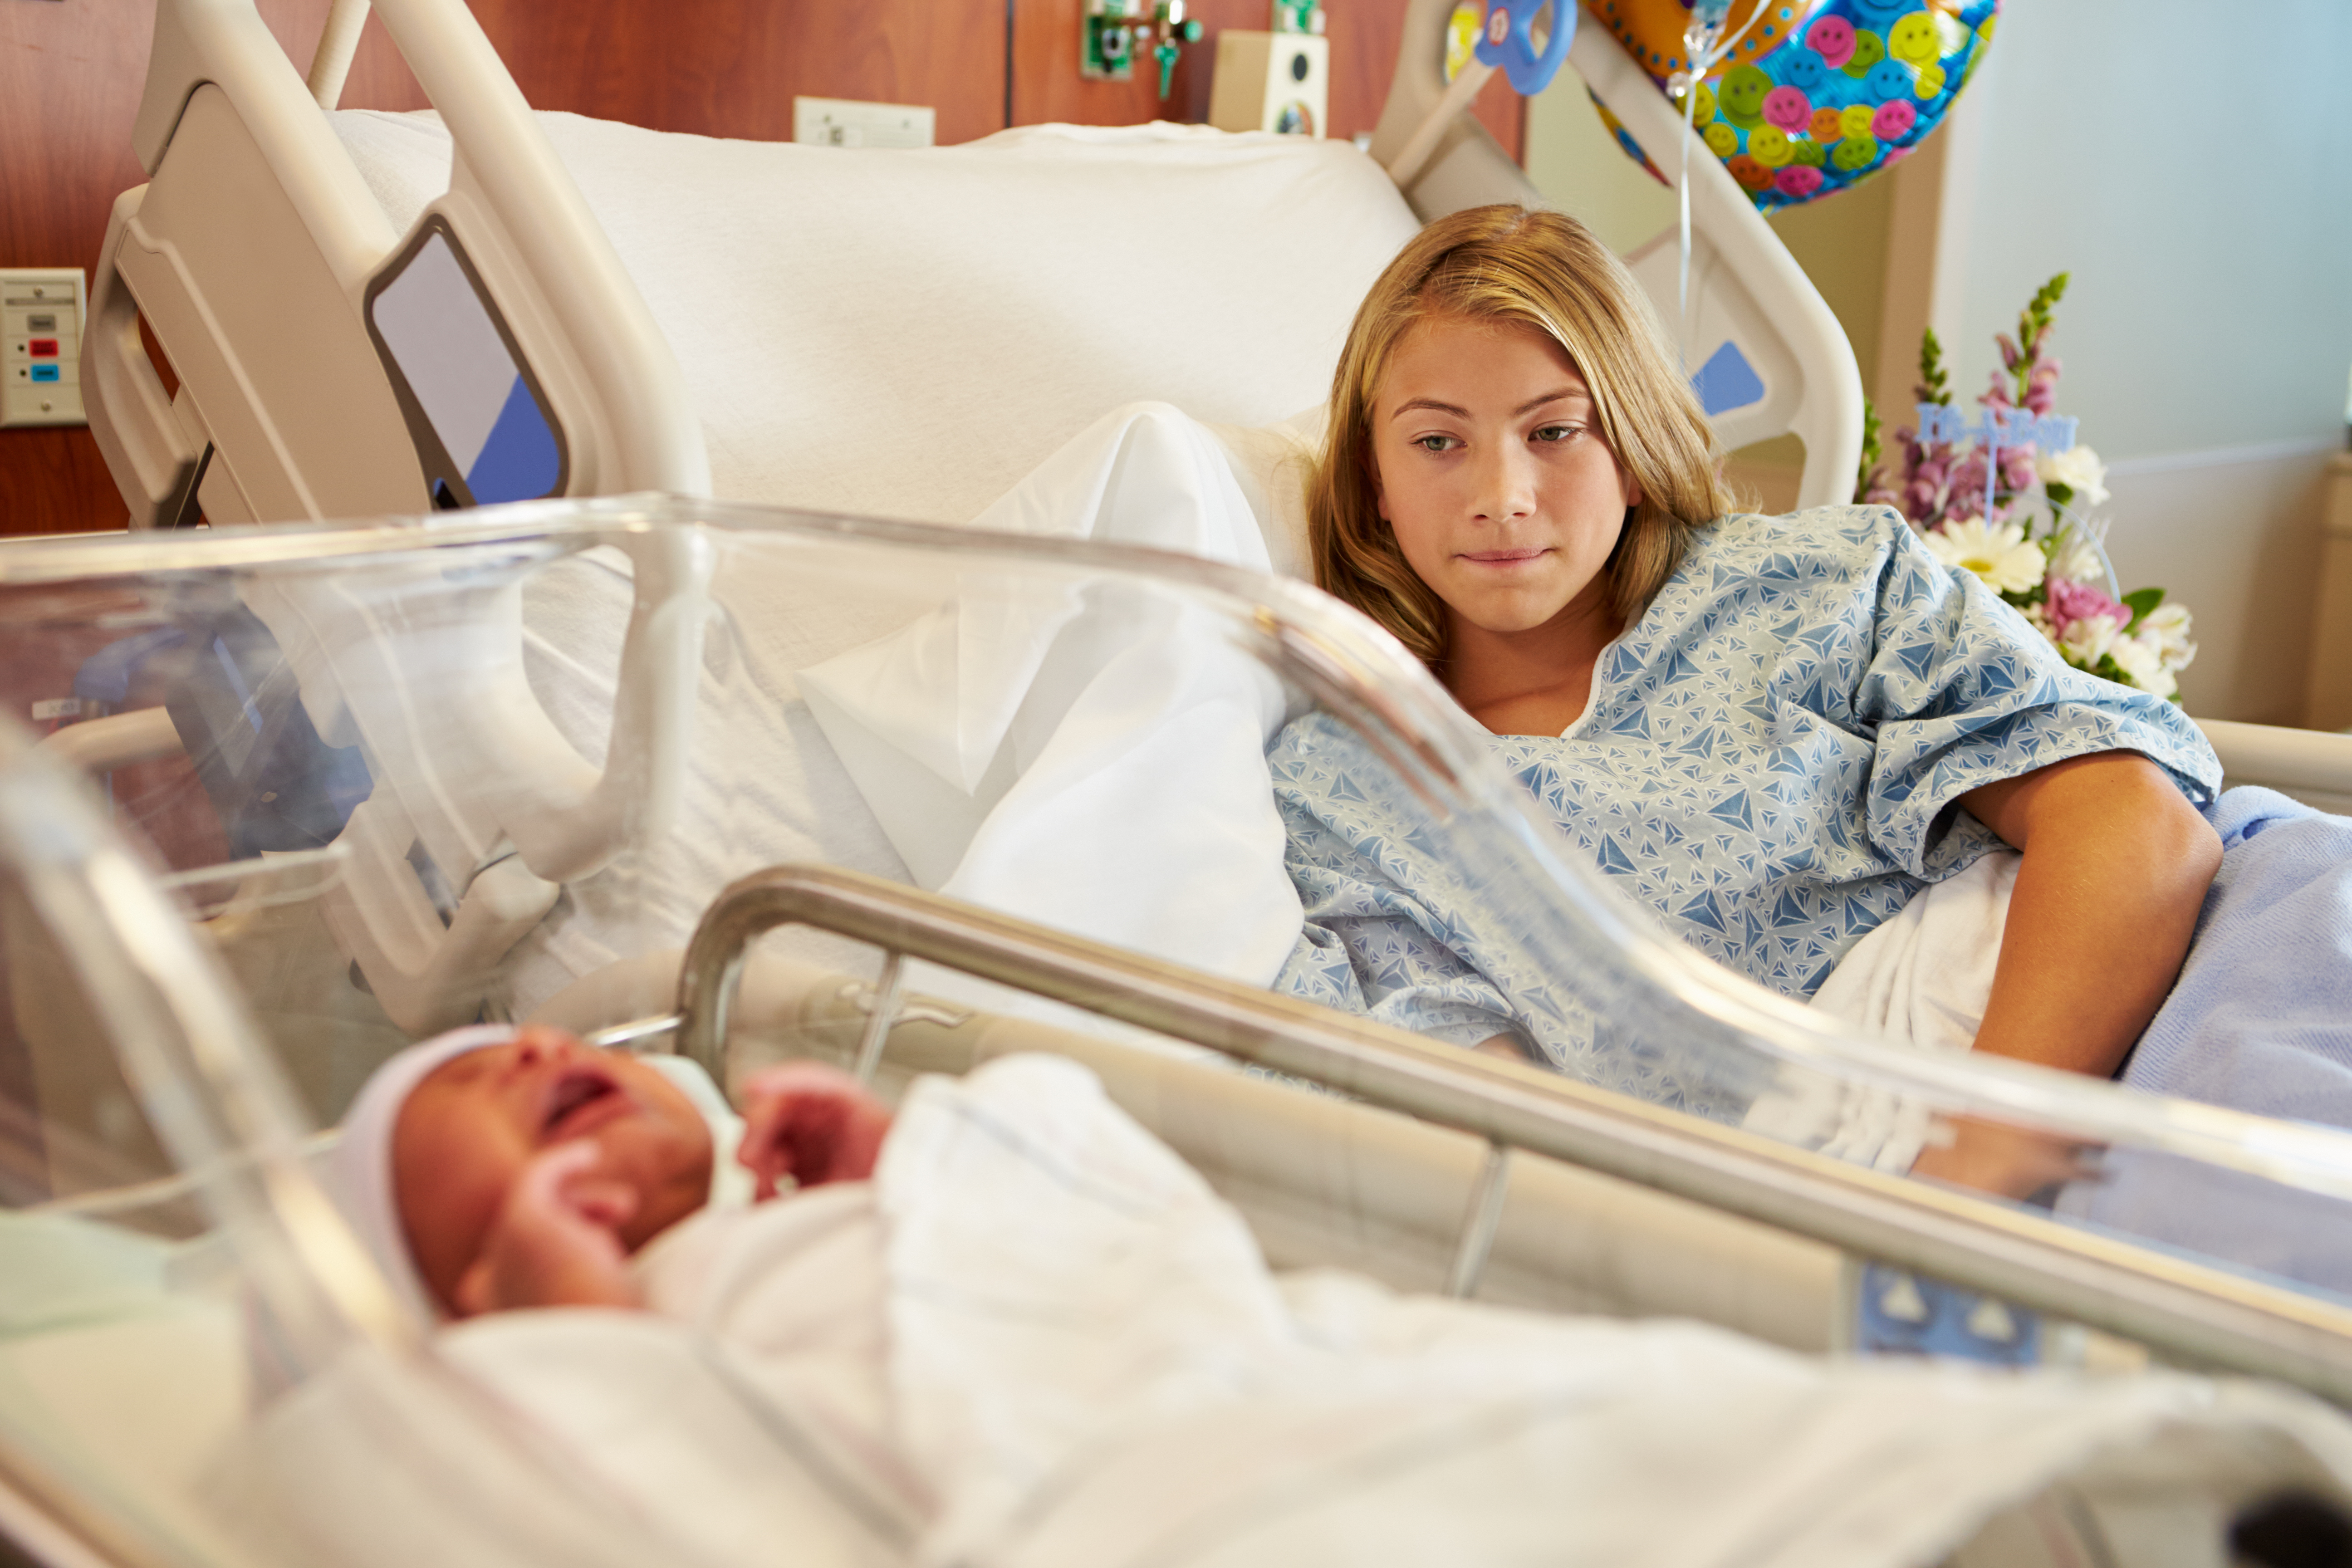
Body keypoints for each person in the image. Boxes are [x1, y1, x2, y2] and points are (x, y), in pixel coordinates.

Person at [309, 1024, 2352, 1568]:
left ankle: (2082, 1496)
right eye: (471, 1092)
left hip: (1231, 1371)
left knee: (1602, 1396)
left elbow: (1099, 1217)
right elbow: (630, 1466)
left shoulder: (794, 1199)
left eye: (548, 1037)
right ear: (453, 1292)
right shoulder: (567, 1351)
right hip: (1097, 1480)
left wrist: (920, 1154)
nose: (533, 1045)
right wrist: (572, 1306)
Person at [1267, 205, 2229, 1196]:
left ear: (1633, 450)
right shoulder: (1348, 788)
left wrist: (1971, 1180)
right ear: (1373, 479)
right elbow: (1494, 1142)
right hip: (1793, 1174)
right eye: (1437, 443)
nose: (1502, 494)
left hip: (2131, 1015)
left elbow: (2138, 826)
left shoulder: (1825, 585)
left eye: (1554, 430)